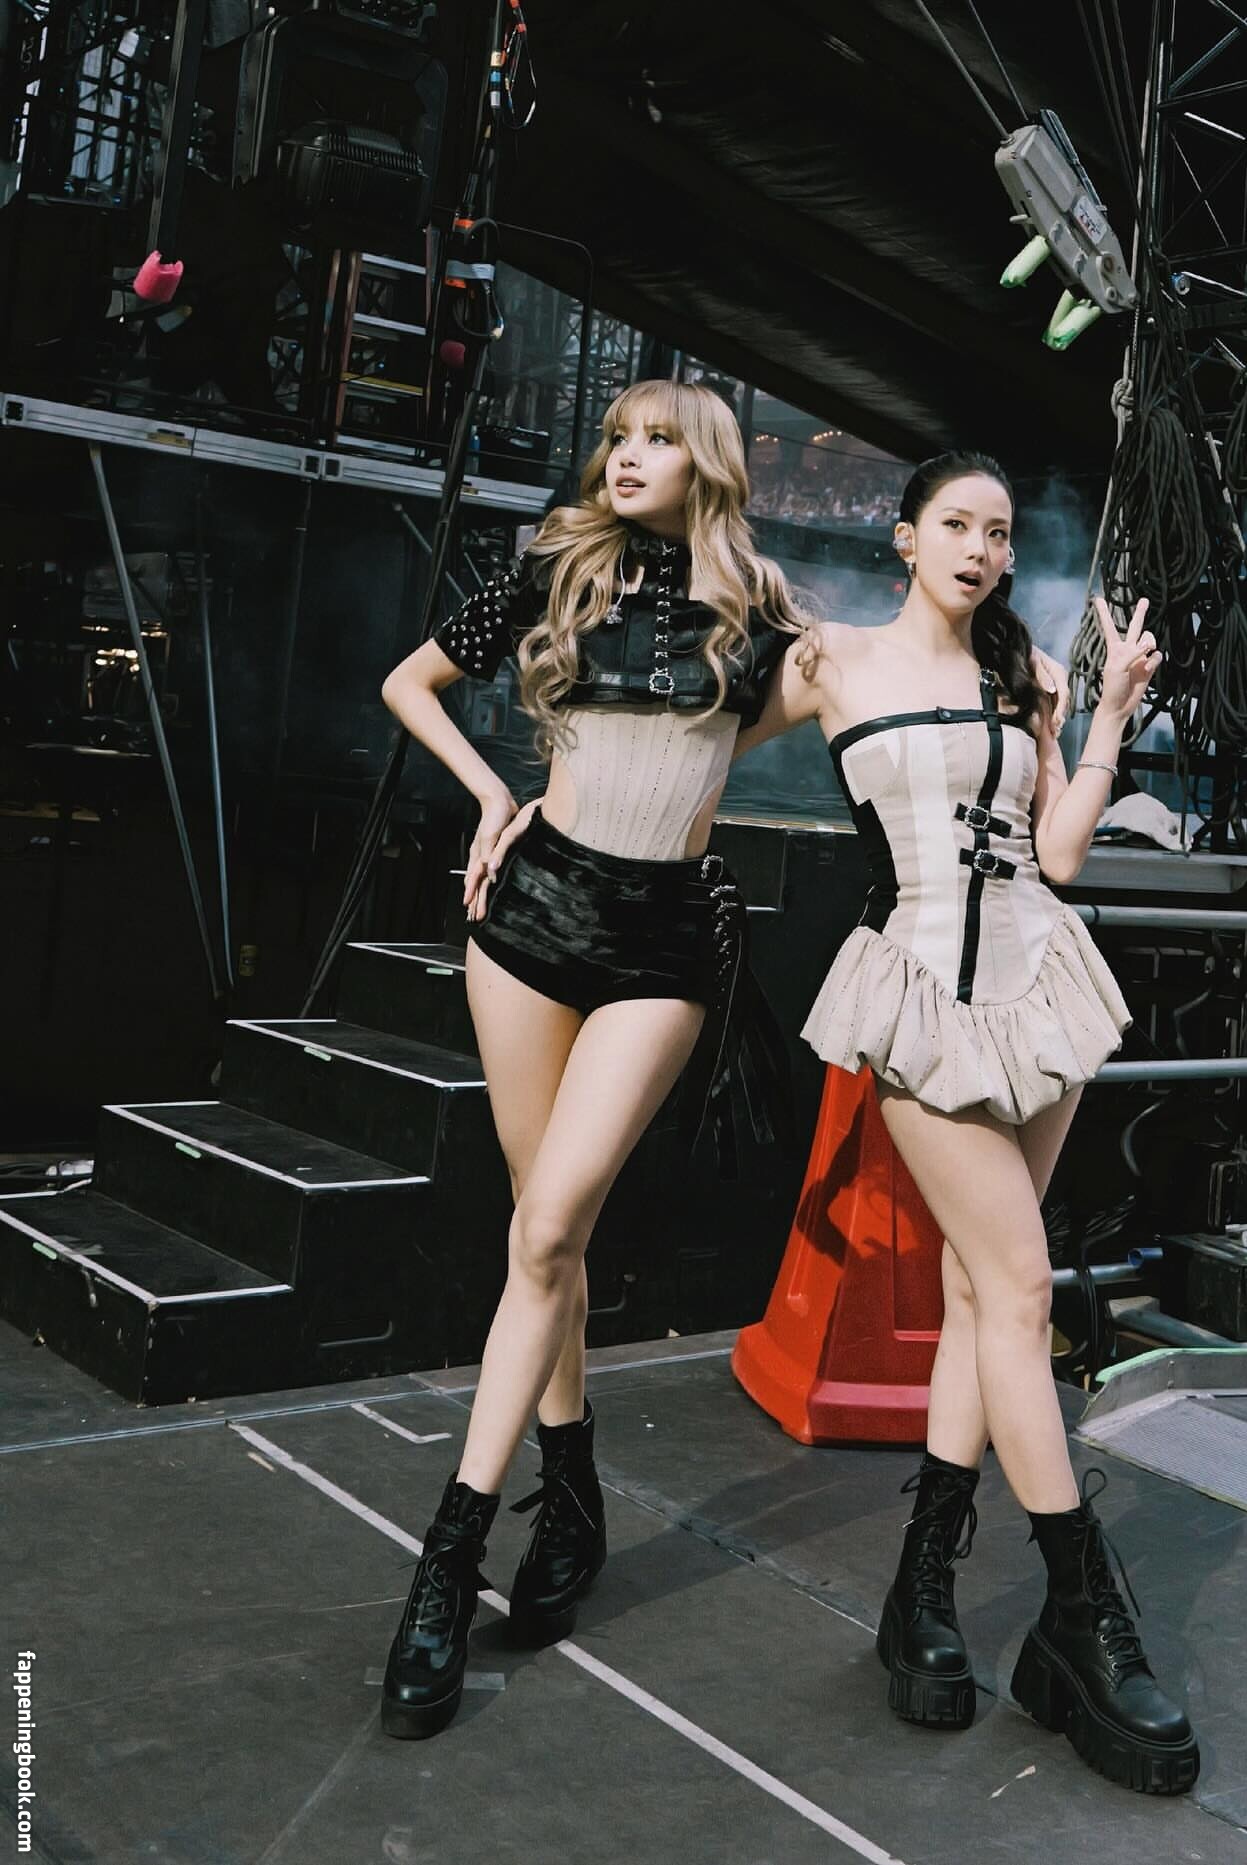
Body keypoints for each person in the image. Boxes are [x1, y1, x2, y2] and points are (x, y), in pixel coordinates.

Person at [734, 450, 1200, 1796]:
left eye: (999, 530)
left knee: (969, 1293)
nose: (983, 548)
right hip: (923, 993)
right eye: (957, 523)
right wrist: (557, 803)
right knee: (1018, 1288)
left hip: (1040, 983)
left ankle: (923, 1589)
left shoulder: (1026, 673)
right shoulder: (832, 659)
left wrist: (1106, 712)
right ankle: (1080, 1612)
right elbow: (698, 745)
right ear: (905, 537)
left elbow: (1058, 853)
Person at [375, 380, 806, 1738]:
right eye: (618, 438)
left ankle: (448, 1559)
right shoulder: (557, 571)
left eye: (658, 440)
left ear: (708, 464)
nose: (626, 458)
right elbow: (408, 682)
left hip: (661, 942)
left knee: (553, 1225)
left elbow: (865, 688)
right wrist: (493, 793)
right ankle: (568, 1489)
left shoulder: (762, 615)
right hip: (530, 917)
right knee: (540, 1236)